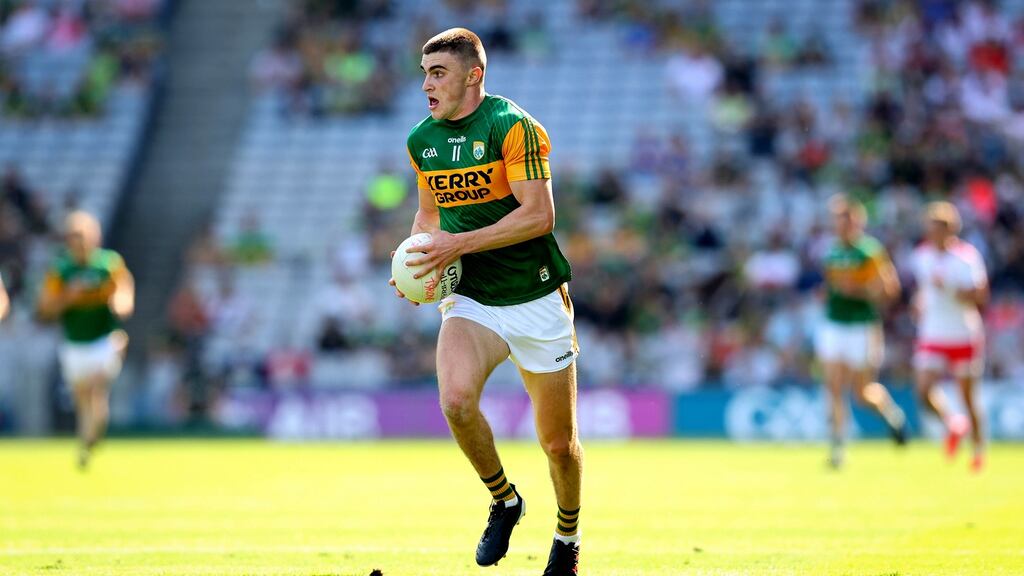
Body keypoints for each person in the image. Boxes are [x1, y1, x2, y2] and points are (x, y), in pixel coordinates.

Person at [389, 28, 581, 574]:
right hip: (472, 298)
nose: (426, 83)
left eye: (438, 73)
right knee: (455, 400)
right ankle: (504, 500)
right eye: (424, 72)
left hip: (536, 294)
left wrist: (457, 242)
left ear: (473, 75)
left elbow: (538, 216)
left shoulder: (511, 126)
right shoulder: (421, 140)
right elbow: (429, 214)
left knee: (560, 446)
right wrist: (418, 263)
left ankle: (567, 537)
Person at [37, 212, 134, 469]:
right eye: (74, 236)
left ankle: (90, 436)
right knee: (83, 400)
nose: (78, 242)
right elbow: (45, 309)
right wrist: (69, 296)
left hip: (103, 339)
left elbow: (124, 288)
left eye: (83, 236)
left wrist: (122, 303)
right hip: (75, 343)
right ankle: (88, 442)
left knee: (96, 389)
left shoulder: (108, 264)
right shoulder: (61, 270)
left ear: (94, 237)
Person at [817, 195, 907, 468]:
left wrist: (859, 290)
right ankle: (838, 447)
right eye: (837, 221)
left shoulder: (870, 252)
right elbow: (830, 287)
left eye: (846, 221)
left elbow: (890, 290)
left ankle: (892, 416)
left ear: (856, 223)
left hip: (862, 326)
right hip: (834, 324)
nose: (841, 227)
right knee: (833, 385)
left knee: (862, 392)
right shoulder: (831, 252)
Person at [911, 201, 989, 472]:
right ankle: (953, 423)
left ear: (950, 230)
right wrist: (919, 303)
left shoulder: (966, 258)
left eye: (937, 229)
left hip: (963, 334)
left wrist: (953, 290)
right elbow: (924, 290)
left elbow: (980, 295)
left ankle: (978, 450)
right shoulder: (921, 256)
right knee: (922, 389)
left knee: (968, 396)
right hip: (933, 331)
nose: (932, 234)